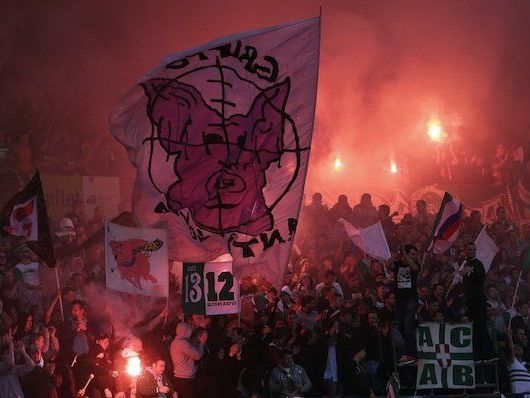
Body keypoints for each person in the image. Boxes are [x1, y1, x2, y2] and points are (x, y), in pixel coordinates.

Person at [387, 244, 419, 363]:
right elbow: (387, 265)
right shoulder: (397, 265)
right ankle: (404, 353)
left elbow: (415, 269)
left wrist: (406, 255)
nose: (415, 257)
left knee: (408, 324)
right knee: (399, 325)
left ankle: (410, 353)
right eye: (413, 254)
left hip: (411, 298)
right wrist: (397, 254)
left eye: (415, 255)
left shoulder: (415, 265)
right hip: (399, 299)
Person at [462, 242, 492, 361]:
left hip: (478, 300)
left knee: (480, 327)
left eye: (473, 249)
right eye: (469, 249)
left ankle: (484, 354)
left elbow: (479, 280)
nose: (472, 251)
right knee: (475, 328)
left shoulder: (478, 264)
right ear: (465, 250)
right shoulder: (466, 265)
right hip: (470, 301)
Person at [170, 321, 207, 398]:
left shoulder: (175, 342)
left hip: (181, 378)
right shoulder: (182, 343)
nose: (190, 332)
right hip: (185, 379)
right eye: (189, 330)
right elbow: (197, 356)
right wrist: (202, 342)